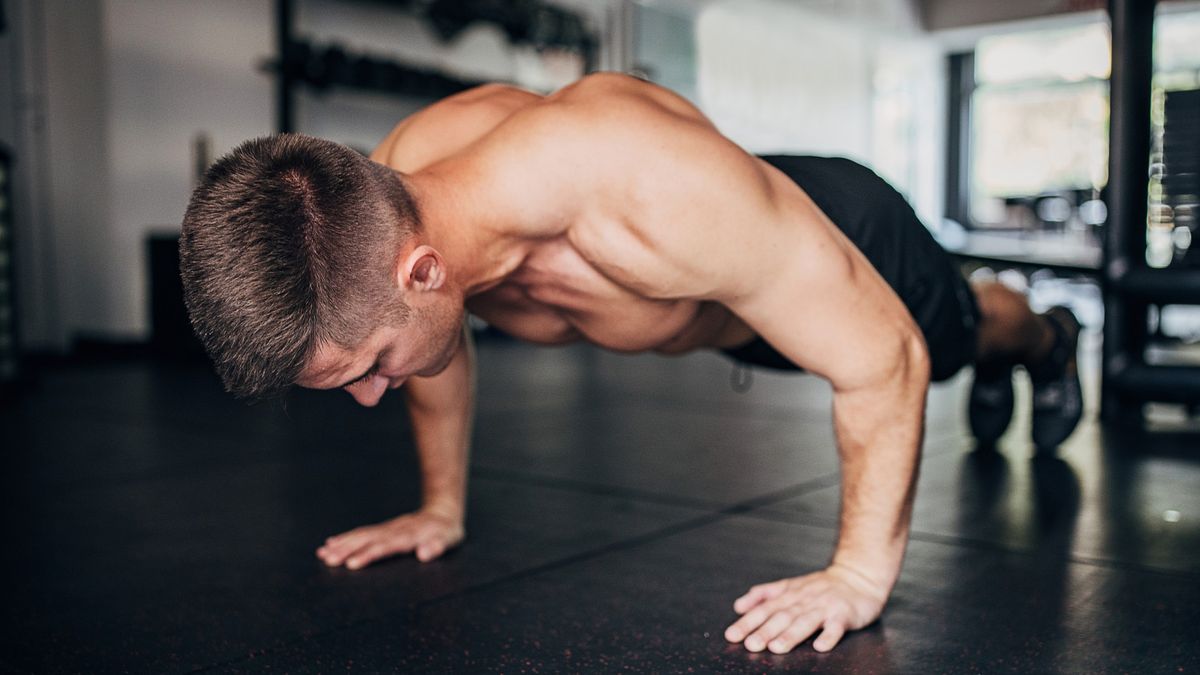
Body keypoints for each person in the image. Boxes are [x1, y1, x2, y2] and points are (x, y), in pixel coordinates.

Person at [179, 73, 1082, 654]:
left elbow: (886, 357)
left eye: (370, 367)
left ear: (423, 271)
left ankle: (1045, 334)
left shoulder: (643, 194)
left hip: (832, 229)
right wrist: (440, 506)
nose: (374, 394)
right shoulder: (390, 195)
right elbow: (424, 343)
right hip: (731, 303)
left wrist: (855, 576)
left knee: (965, 335)